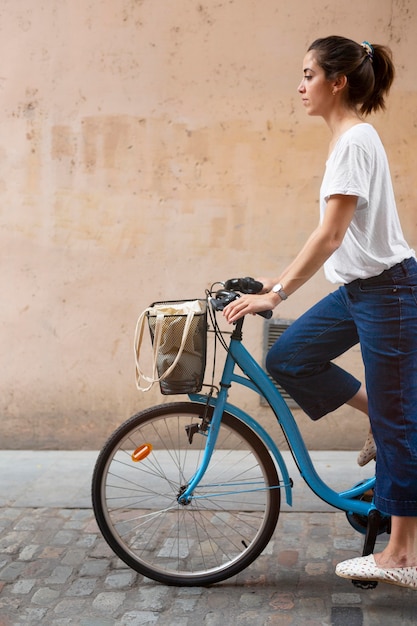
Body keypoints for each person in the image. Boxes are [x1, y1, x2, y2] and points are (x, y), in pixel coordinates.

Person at [223, 35, 417, 589]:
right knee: (290, 358)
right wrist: (272, 278)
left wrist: (278, 293)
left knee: (401, 422)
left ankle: (402, 554)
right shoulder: (349, 141)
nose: (300, 85)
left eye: (309, 74)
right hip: (363, 290)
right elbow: (337, 238)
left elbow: (330, 235)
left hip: (390, 292)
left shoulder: (355, 141)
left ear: (338, 82)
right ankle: (377, 418)